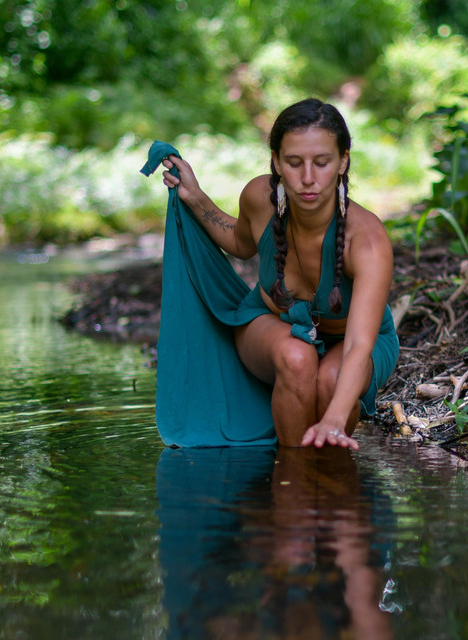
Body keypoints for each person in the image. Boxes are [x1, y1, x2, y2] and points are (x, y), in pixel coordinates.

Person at [158, 98, 398, 450]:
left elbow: (359, 345)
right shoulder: (259, 197)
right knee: (297, 358)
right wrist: (196, 199)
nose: (308, 179)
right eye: (294, 163)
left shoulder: (367, 241)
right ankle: (293, 472)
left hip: (356, 341)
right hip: (271, 323)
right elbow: (240, 242)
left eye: (322, 163)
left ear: (343, 161)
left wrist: (334, 417)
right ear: (276, 161)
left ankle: (332, 471)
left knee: (332, 379)